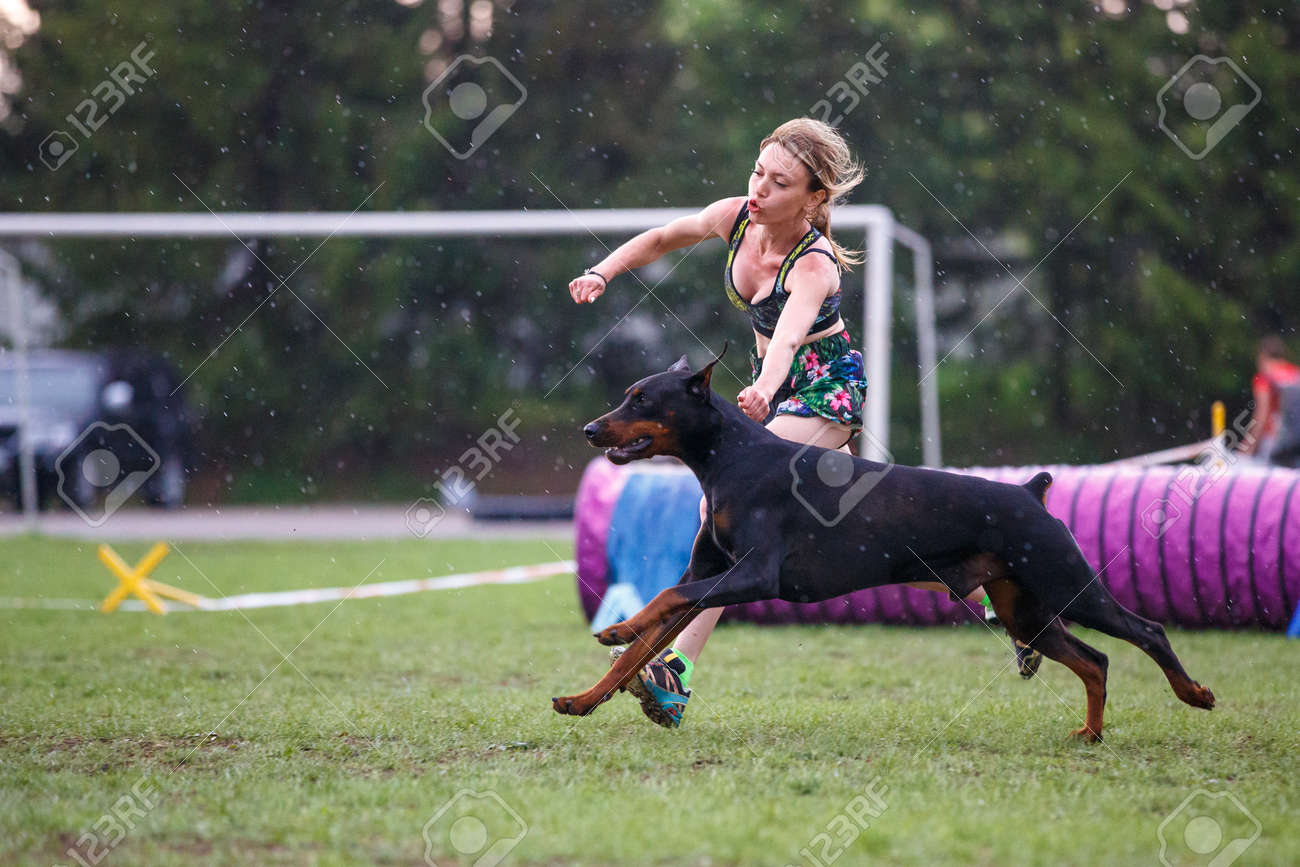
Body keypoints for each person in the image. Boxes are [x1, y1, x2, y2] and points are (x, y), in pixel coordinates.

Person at [568, 118, 1035, 729]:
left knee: (720, 516)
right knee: (858, 547)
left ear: (814, 198)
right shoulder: (736, 217)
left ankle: (676, 670)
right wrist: (604, 271)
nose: (759, 189)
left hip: (822, 399)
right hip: (773, 397)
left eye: (779, 182)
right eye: (757, 172)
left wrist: (762, 386)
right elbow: (660, 238)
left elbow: (788, 335)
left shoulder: (814, 267)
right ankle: (992, 595)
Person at [1242, 336, 1300, 468]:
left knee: (1267, 483)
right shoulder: (1296, 373)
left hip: (1275, 441)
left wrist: (1248, 447)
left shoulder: (1264, 378)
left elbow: (1261, 414)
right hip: (1296, 439)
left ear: (1262, 356)